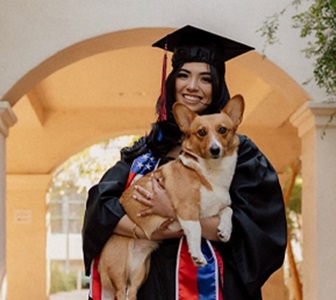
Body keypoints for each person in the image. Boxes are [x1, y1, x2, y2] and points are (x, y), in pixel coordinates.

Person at [82, 25, 287, 300]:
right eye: (183, 75)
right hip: (149, 287)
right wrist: (147, 232)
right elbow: (101, 208)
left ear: (217, 86)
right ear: (172, 83)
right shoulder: (149, 150)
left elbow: (255, 230)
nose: (192, 86)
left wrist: (174, 211)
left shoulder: (240, 153)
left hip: (212, 287)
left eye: (205, 79)